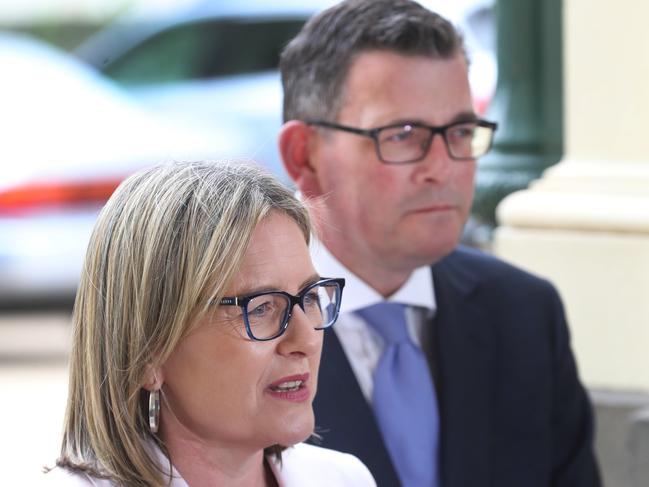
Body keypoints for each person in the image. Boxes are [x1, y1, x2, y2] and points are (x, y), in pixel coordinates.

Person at [278, 1, 601, 486]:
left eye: (460, 131)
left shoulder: (524, 313)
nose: (444, 167)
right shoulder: (244, 329)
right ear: (304, 154)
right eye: (404, 135)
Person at [44, 161, 376, 486]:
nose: (306, 339)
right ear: (148, 352)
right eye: (260, 308)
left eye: (309, 298)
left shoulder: (344, 478)